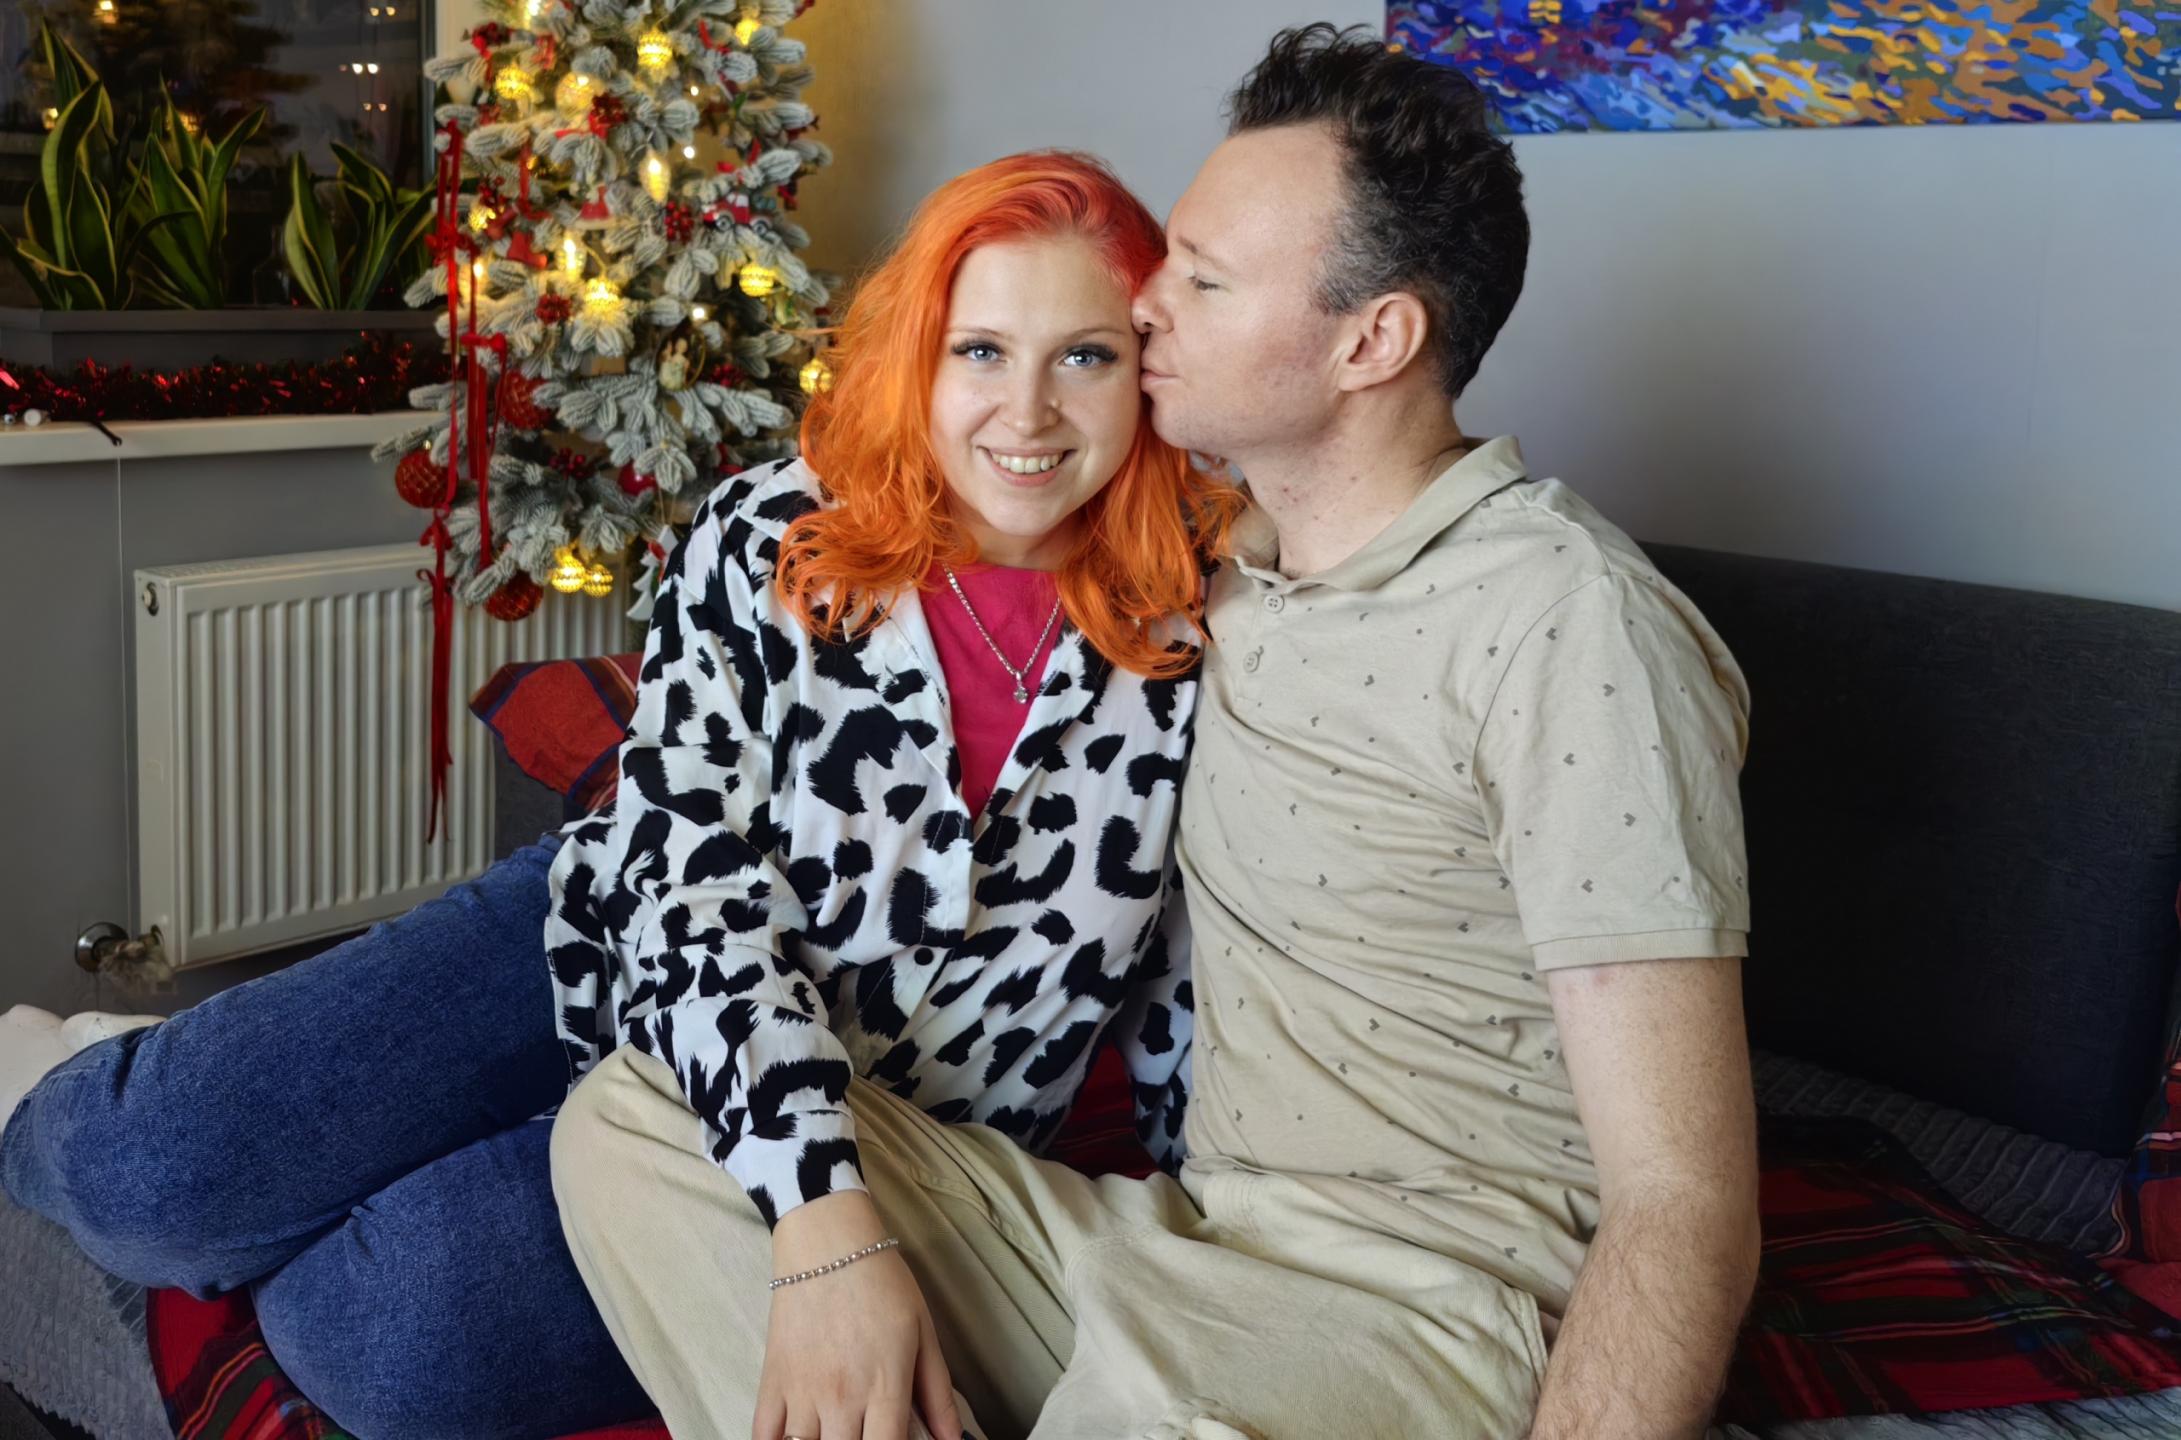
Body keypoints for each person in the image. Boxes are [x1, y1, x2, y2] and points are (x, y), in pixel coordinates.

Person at [554, 24, 1761, 1440]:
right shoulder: (1225, 577)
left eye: (1200, 278)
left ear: (1372, 340)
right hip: (1174, 1240)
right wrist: (831, 1244)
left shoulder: (1564, 625)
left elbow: (1685, 1197)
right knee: (629, 1124)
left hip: (1410, 1299)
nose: (1147, 310)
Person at [0, 149, 1234, 1440]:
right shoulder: (774, 534)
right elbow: (695, 893)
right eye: (979, 350)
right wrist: (821, 1219)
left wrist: (1221, 1256)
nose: (1027, 411)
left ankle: (280, 1158)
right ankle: (100, 1078)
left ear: (1149, 368)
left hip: (901, 1127)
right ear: (917, 356)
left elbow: (1194, 982)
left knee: (394, 1335)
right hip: (623, 941)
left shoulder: (1204, 623)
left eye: (1084, 356)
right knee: (143, 1169)